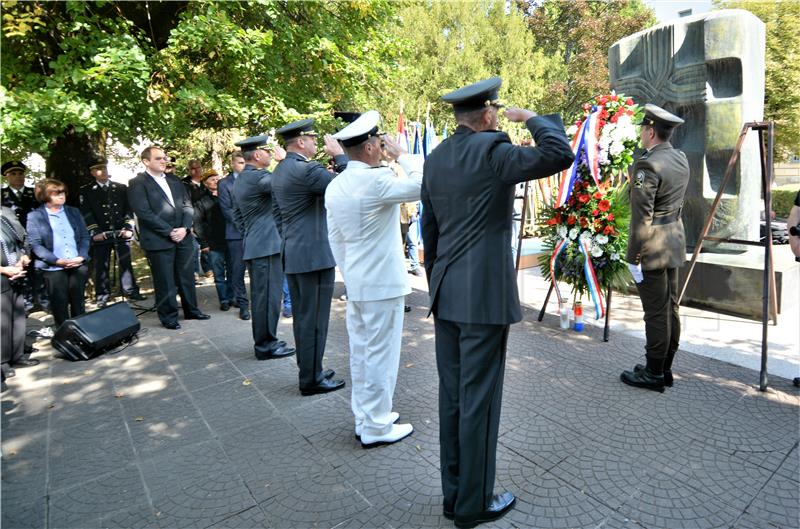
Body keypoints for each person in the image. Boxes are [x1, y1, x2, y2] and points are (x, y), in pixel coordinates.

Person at [421, 77, 574, 528]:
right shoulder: (493, 151)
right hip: (483, 298)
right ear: (488, 115)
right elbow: (559, 153)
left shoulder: (436, 158)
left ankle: (454, 495)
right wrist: (532, 119)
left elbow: (430, 231)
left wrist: (436, 284)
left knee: (452, 398)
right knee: (479, 403)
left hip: (446, 294)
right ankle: (474, 504)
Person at [326, 110, 422, 446]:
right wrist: (402, 155)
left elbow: (335, 240)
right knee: (381, 356)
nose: (383, 148)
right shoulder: (376, 180)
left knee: (362, 355)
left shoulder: (336, 185)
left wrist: (351, 274)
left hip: (359, 283)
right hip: (382, 285)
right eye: (379, 144)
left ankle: (366, 418)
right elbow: (427, 184)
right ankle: (377, 427)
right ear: (368, 148)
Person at [272, 118, 347, 396]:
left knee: (305, 319)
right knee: (314, 321)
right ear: (301, 142)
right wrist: (339, 155)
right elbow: (348, 186)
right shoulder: (308, 170)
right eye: (313, 139)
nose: (317, 143)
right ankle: (311, 379)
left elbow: (277, 216)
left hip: (296, 252)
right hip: (313, 256)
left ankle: (311, 370)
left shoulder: (281, 168)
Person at [620, 105, 691, 392]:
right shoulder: (680, 158)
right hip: (673, 240)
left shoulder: (647, 165)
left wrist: (633, 256)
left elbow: (642, 217)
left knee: (655, 312)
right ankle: (665, 367)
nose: (640, 133)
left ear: (650, 131)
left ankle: (653, 373)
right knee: (670, 307)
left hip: (651, 245)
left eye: (642, 129)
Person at [127, 146, 210, 330]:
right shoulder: (138, 183)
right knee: (164, 280)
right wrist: (169, 231)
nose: (164, 161)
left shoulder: (174, 180)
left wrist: (184, 228)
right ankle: (169, 316)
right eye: (158, 158)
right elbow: (143, 212)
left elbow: (188, 206)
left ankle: (192, 310)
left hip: (183, 236)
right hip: (159, 239)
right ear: (146, 161)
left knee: (186, 276)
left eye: (164, 158)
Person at [232, 135, 295, 360]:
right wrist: (286, 161)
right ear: (257, 155)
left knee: (264, 298)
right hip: (265, 248)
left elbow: (238, 218)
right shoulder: (257, 178)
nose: (271, 154)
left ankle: (267, 342)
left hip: (258, 244)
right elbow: (282, 183)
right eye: (268, 151)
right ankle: (266, 346)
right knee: (267, 299)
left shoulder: (242, 178)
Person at [79, 156, 145, 307]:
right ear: (92, 172)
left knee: (125, 262)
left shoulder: (120, 188)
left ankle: (130, 290)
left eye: (104, 168)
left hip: (121, 232)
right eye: (98, 169)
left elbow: (128, 209)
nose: (102, 171)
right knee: (101, 264)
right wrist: (95, 231)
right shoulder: (86, 191)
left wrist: (128, 227)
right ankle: (102, 295)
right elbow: (86, 212)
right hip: (101, 234)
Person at [26, 179, 92, 329]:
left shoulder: (73, 211)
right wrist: (57, 261)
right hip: (54, 268)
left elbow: (84, 236)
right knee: (59, 306)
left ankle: (84, 336)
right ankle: (66, 340)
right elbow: (35, 244)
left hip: (77, 264)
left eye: (63, 192)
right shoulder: (35, 216)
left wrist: (81, 256)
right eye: (56, 193)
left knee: (78, 303)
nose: (61, 196)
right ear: (44, 196)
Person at [2, 160, 46, 311]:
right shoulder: (2, 195)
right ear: (6, 177)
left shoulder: (34, 193)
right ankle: (24, 304)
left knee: (37, 269)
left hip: (34, 237)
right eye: (13, 174)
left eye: (20, 173)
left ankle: (41, 302)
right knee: (19, 269)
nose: (18, 176)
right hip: (12, 240)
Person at [1, 205, 37, 382]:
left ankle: (18, 354)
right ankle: (2, 362)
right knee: (2, 321)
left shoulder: (3, 217)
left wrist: (23, 255)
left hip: (15, 273)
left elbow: (17, 240)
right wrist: (3, 269)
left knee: (17, 315)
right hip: (3, 275)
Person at [218, 151, 251, 319]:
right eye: (240, 162)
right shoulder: (224, 184)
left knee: (257, 270)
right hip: (236, 234)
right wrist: (247, 226)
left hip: (256, 234)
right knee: (237, 271)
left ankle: (257, 302)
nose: (243, 166)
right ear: (232, 164)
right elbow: (227, 210)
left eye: (245, 162)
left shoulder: (254, 179)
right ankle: (243, 304)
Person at [193, 169, 232, 310]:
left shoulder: (228, 195)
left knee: (233, 271)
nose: (216, 181)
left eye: (217, 178)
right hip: (213, 242)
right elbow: (197, 222)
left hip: (231, 239)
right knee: (219, 273)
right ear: (205, 183)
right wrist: (203, 243)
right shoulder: (201, 200)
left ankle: (233, 296)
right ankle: (224, 300)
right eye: (212, 179)